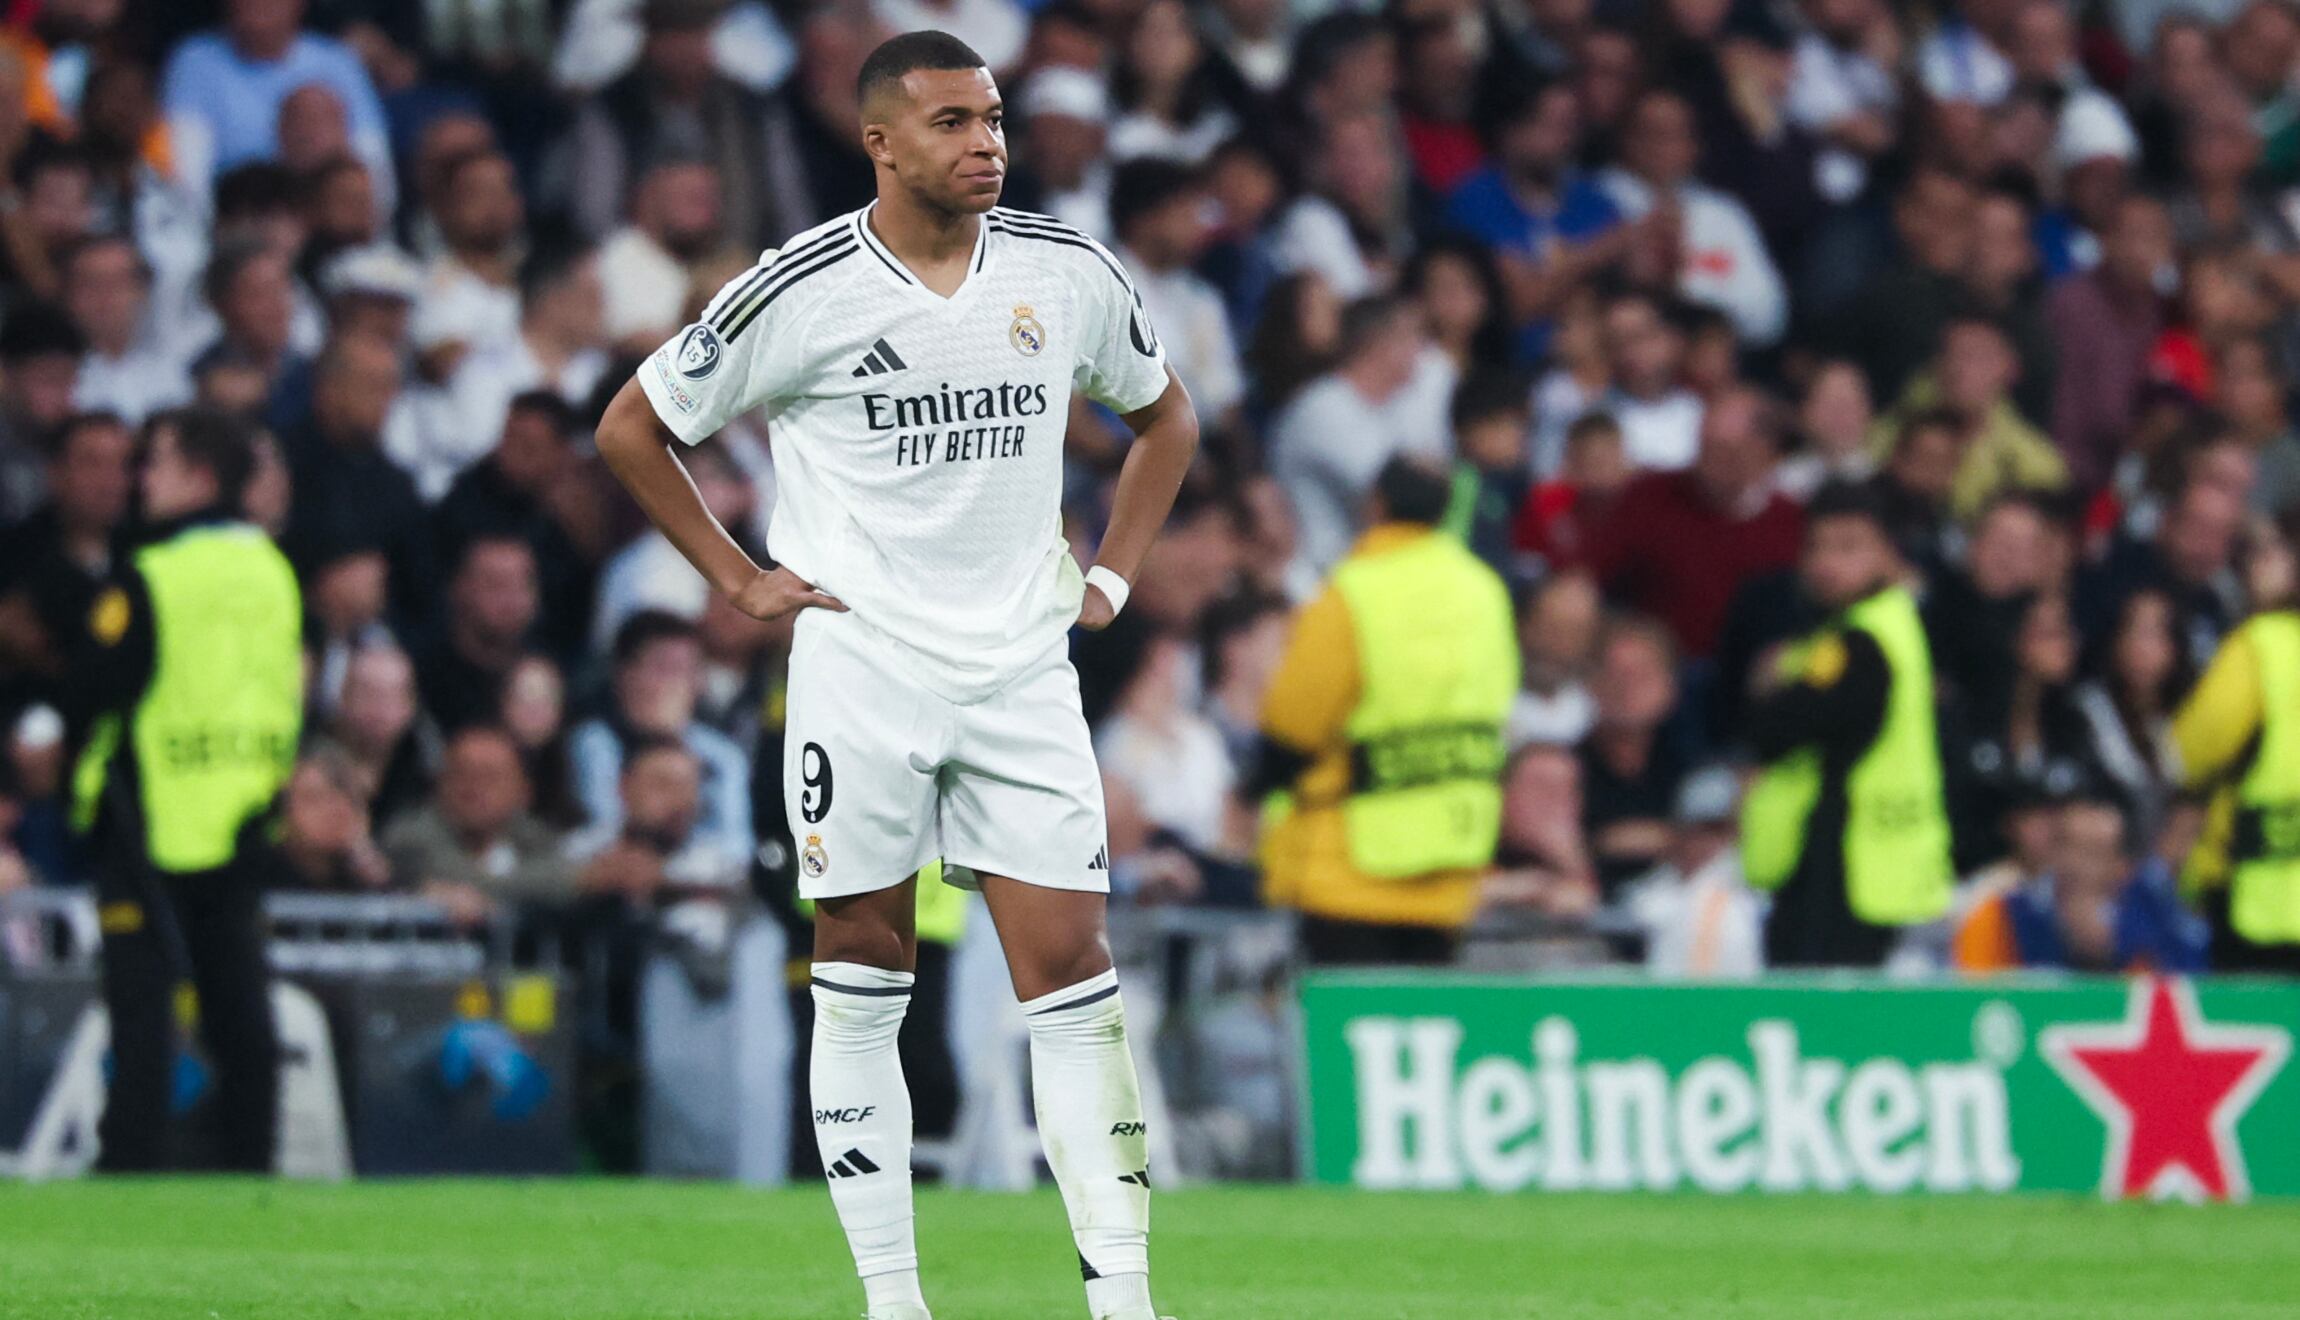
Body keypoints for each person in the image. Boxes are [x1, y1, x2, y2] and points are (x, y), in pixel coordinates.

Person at [591, 32, 1198, 1320]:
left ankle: (1124, 1302)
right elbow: (632, 428)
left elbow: (1166, 417)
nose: (984, 143)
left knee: (1073, 974)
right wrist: (741, 577)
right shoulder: (800, 289)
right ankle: (891, 1301)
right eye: (949, 123)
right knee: (861, 966)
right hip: (862, 666)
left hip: (1022, 666)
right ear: (878, 140)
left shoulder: (1064, 271)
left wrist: (1112, 578)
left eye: (991, 119)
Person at [61, 408, 302, 1171]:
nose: (142, 479)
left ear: (200, 475)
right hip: (241, 811)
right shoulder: (272, 568)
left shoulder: (150, 573)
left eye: (156, 463)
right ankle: (249, 1161)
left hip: (149, 813)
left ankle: (130, 1161)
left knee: (141, 1012)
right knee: (239, 1005)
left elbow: (96, 689)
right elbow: (281, 691)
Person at [1248, 457, 1519, 965]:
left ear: (1377, 505)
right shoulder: (1486, 592)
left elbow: (1293, 726)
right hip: (1452, 863)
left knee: (1343, 1036)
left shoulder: (1353, 591)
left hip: (1351, 872)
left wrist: (1259, 785)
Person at [1740, 481, 1955, 968]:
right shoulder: (1890, 626)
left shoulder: (1859, 641)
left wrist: (1776, 680)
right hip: (1878, 866)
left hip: (1844, 864)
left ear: (1888, 554)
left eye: (1849, 547)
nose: (1826, 564)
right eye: (1816, 547)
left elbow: (1779, 729)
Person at [2171, 513, 2300, 972]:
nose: (2254, 567)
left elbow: (2187, 753)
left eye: (2269, 553)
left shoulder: (2261, 645)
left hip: (2259, 895)